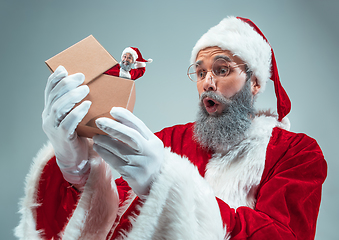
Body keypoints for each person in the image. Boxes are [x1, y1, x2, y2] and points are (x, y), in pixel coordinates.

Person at [15, 16, 327, 240]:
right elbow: (114, 218)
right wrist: (77, 168)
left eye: (222, 70)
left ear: (256, 83)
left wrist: (168, 183)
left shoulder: (297, 152)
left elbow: (283, 234)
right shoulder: (172, 140)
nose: (207, 82)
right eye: (201, 71)